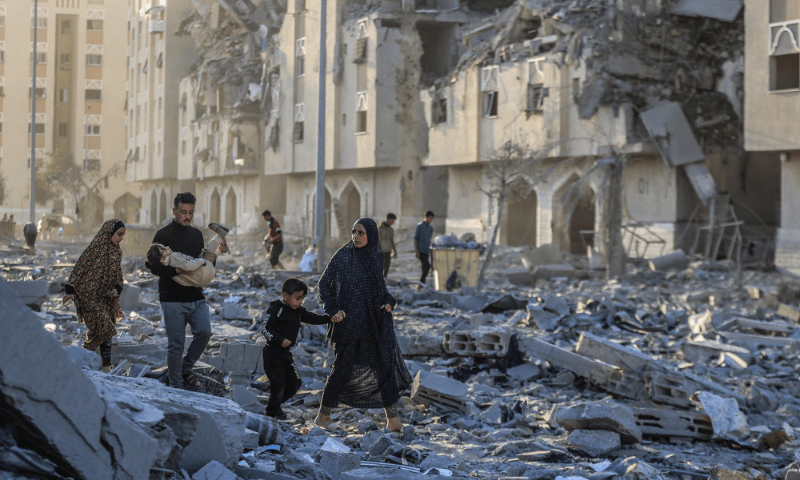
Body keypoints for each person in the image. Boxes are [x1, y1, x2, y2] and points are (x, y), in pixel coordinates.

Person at [315, 217, 412, 432]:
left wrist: (388, 302)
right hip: (349, 325)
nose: (355, 237)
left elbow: (381, 290)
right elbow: (323, 284)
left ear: (371, 235)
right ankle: (323, 415)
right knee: (342, 369)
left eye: (361, 233)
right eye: (353, 232)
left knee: (384, 366)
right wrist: (332, 310)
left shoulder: (375, 257)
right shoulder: (343, 255)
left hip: (373, 324)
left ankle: (392, 420)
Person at [145, 192, 216, 390]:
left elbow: (199, 265)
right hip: (172, 298)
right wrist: (177, 269)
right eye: (183, 212)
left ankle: (185, 369)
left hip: (195, 295)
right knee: (176, 346)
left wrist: (211, 260)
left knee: (204, 332)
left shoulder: (196, 235)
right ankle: (176, 387)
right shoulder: (163, 235)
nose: (187, 216)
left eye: (191, 213)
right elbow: (152, 266)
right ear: (174, 210)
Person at [259, 277, 345, 419]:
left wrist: (329, 319)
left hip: (286, 354)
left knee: (295, 383)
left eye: (302, 299)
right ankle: (270, 414)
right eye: (297, 298)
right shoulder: (275, 309)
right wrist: (279, 340)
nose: (300, 302)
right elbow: (264, 328)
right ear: (286, 296)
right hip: (272, 354)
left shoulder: (298, 311)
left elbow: (313, 318)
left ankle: (275, 406)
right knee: (278, 385)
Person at [63, 219, 126, 373]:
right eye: (119, 234)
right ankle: (103, 366)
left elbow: (118, 273)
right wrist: (70, 290)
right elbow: (79, 267)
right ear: (109, 233)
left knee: (99, 333)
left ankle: (98, 366)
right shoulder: (94, 249)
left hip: (106, 298)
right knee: (106, 327)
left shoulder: (117, 252)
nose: (121, 238)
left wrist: (117, 288)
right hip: (88, 296)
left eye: (123, 235)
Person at [145, 222, 229, 288]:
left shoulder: (166, 267)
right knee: (206, 253)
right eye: (163, 249)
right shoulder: (172, 258)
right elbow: (188, 266)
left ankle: (221, 249)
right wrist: (201, 261)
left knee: (204, 253)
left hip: (202, 280)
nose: (167, 247)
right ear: (162, 259)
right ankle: (220, 236)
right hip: (205, 273)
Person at [413, 211, 435, 285]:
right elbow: (415, 239)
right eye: (430, 218)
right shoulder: (419, 226)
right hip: (421, 250)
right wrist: (416, 251)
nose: (430, 220)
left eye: (432, 219)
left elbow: (429, 239)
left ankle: (422, 284)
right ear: (426, 217)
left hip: (427, 251)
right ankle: (421, 283)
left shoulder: (430, 228)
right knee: (426, 266)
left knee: (425, 268)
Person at [378, 213, 398, 278]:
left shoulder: (391, 230)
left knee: (387, 267)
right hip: (381, 251)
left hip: (388, 251)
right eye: (392, 220)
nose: (393, 222)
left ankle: (384, 280)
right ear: (388, 219)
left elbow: (392, 241)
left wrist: (395, 251)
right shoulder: (380, 229)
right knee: (381, 267)